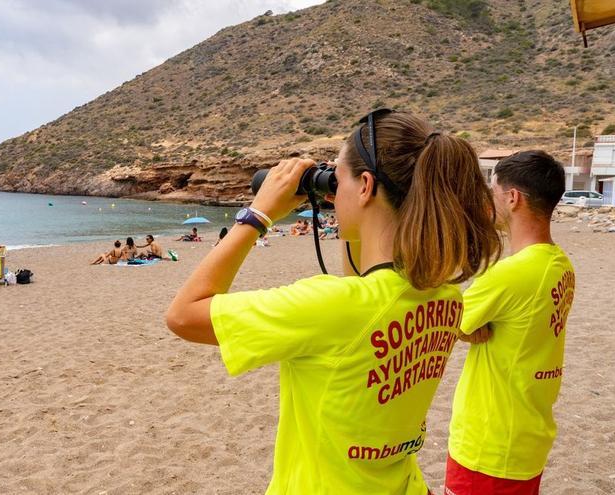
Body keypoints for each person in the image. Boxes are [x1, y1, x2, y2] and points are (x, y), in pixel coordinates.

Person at [165, 110, 501, 494]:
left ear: (367, 185)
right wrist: (349, 200)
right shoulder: (444, 295)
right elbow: (368, 285)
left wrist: (257, 215)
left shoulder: (332, 305)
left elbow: (182, 316)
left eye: (338, 179)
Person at [445, 151, 575, 494]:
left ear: (512, 198)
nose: (490, 199)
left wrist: (465, 329)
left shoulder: (510, 275)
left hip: (488, 445)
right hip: (528, 437)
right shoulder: (561, 266)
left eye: (493, 191)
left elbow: (447, 321)